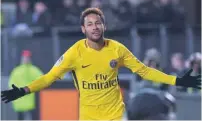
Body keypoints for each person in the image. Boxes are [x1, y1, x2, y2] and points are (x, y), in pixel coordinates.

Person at [1, 8, 201, 120]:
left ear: (104, 25)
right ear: (83, 29)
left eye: (98, 23)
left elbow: (145, 71)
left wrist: (176, 80)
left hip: (115, 116)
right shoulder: (74, 53)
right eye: (89, 24)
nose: (94, 27)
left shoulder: (117, 49)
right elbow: (49, 77)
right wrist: (24, 90)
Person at [8, 50, 43, 120]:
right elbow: (11, 84)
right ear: (22, 58)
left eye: (27, 57)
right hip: (21, 102)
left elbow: (42, 80)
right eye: (25, 57)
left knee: (33, 118)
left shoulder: (33, 70)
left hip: (31, 102)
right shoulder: (17, 71)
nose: (26, 59)